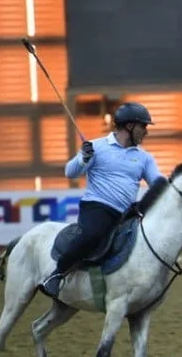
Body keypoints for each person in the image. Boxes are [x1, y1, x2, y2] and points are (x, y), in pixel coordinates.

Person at [40, 102, 161, 298]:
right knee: (92, 235)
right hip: (97, 207)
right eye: (143, 126)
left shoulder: (145, 158)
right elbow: (70, 172)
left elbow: (157, 183)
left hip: (126, 214)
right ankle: (57, 274)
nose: (146, 132)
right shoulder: (96, 147)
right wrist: (83, 158)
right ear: (129, 126)